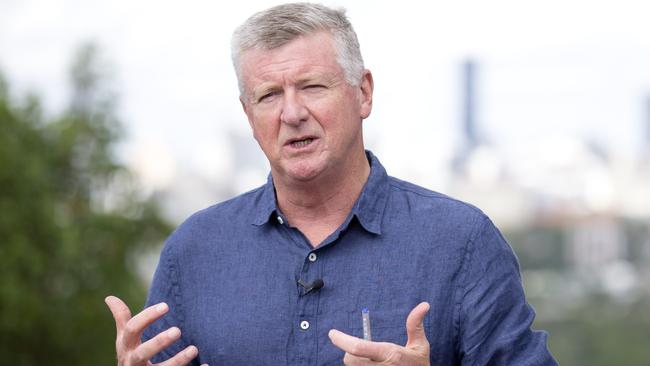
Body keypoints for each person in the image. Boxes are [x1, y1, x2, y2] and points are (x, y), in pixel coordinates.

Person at [105, 3, 557, 365]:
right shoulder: (194, 251)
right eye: (268, 96)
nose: (292, 113)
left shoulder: (461, 242)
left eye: (312, 86)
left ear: (363, 93)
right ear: (248, 115)